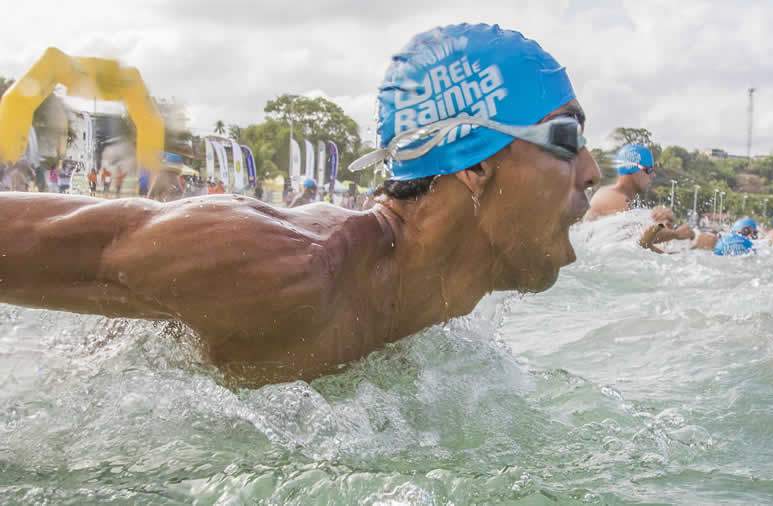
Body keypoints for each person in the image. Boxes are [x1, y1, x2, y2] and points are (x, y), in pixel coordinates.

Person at [0, 23, 598, 387]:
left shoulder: (432, 314)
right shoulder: (277, 267)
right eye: (566, 138)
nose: (593, 171)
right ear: (474, 163)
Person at [584, 143, 655, 220]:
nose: (653, 175)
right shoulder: (614, 198)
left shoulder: (615, 194)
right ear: (632, 169)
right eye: (649, 170)